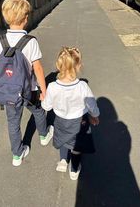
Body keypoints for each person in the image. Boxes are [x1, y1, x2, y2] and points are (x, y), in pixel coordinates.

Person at [0, 0, 53, 167]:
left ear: (6, 18)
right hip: (29, 89)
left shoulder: (0, 40)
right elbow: (38, 69)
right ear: (26, 19)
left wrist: (1, 85)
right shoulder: (30, 42)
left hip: (9, 92)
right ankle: (43, 135)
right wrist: (44, 90)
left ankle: (17, 155)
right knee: (38, 112)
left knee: (13, 122)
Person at [41, 47, 100, 180]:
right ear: (78, 66)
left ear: (58, 65)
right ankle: (74, 169)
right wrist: (94, 115)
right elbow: (91, 105)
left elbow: (47, 106)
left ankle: (63, 160)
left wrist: (43, 99)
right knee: (76, 146)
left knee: (63, 140)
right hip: (79, 122)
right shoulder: (82, 87)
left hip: (61, 120)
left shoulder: (52, 87)